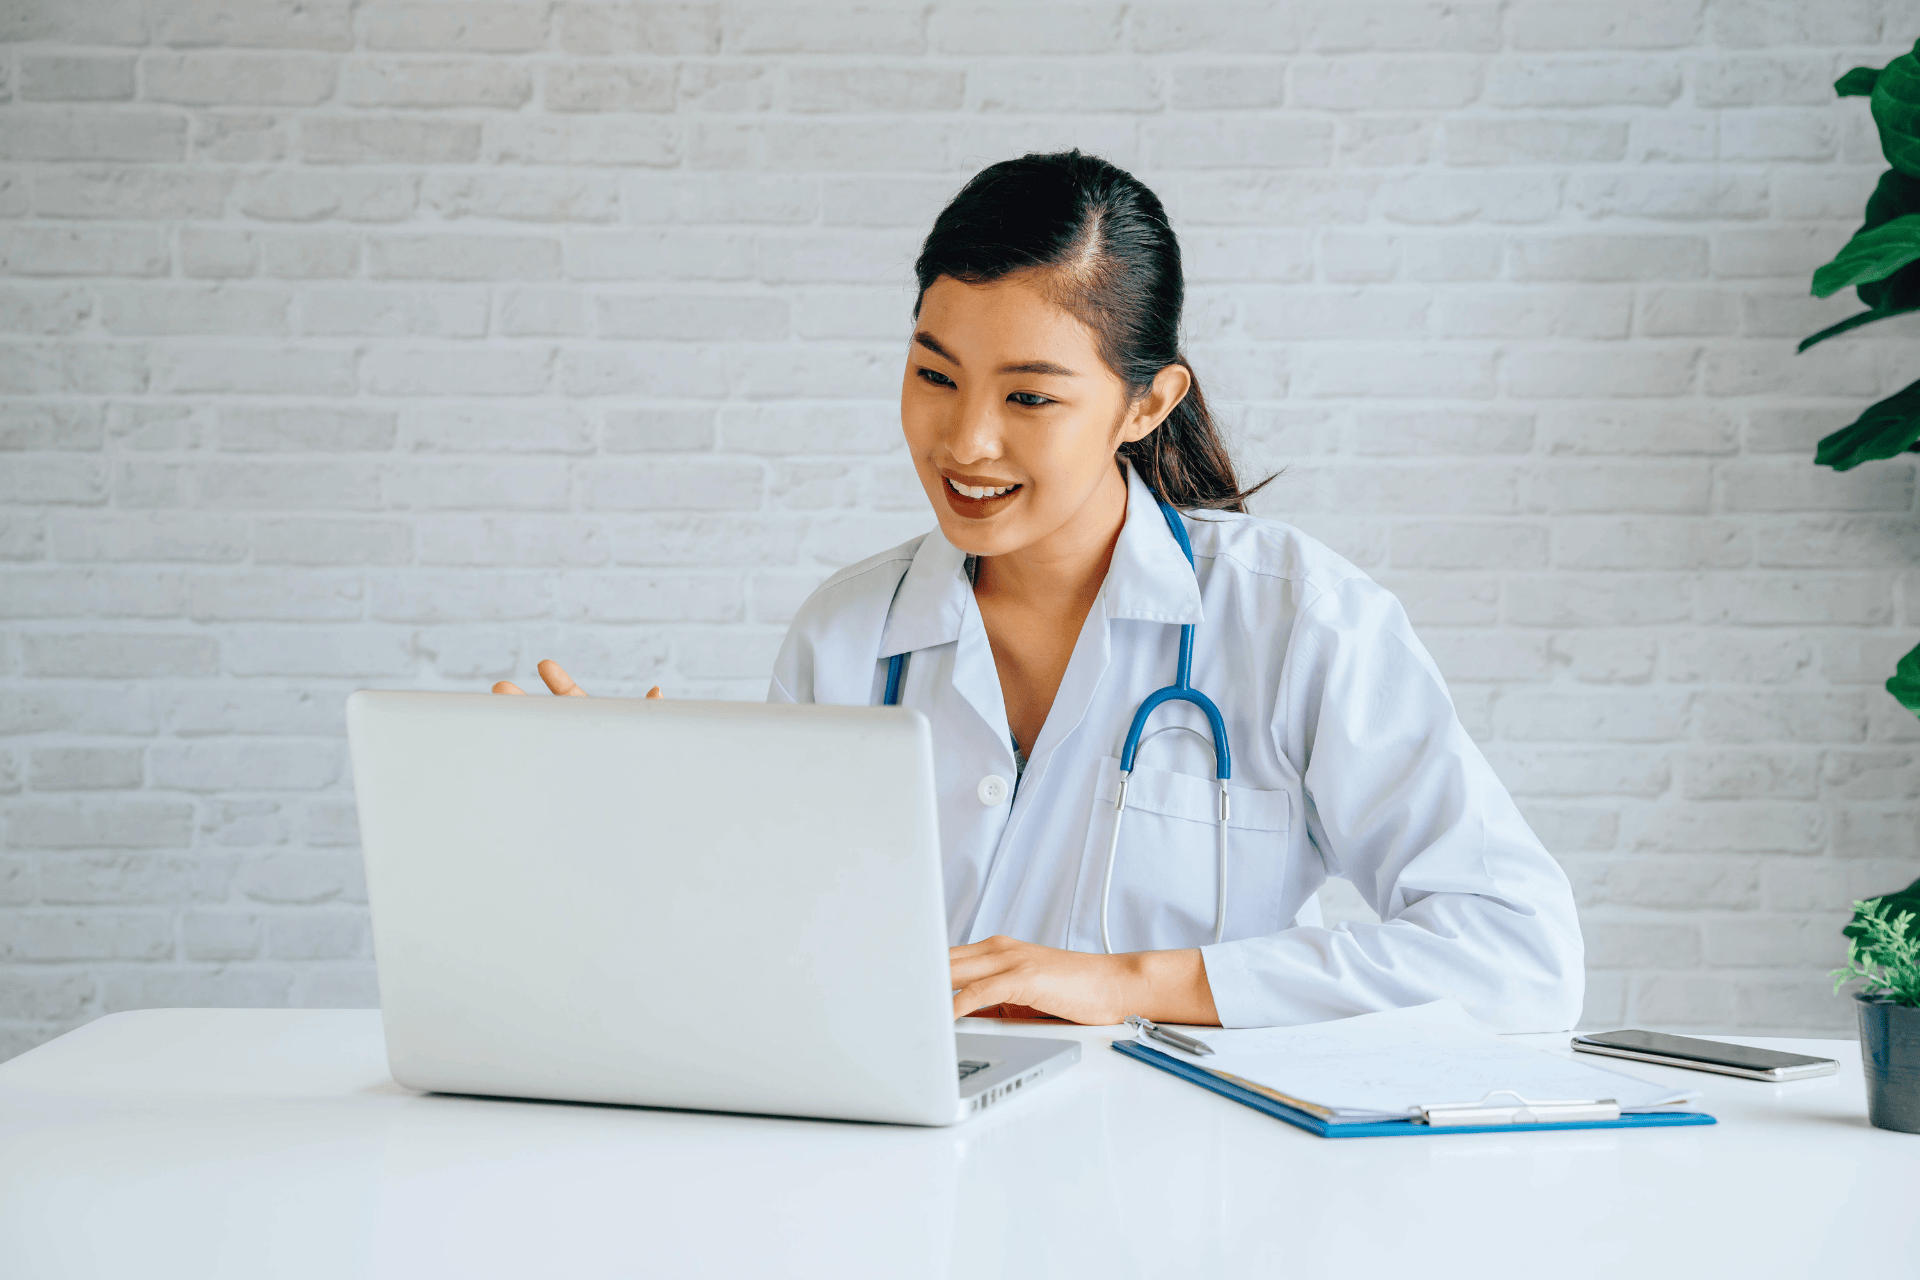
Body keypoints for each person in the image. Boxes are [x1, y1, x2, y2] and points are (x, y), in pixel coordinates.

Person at [498, 150, 1584, 1032]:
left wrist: (1131, 983)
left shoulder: (1294, 617)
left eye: (1029, 394)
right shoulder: (847, 638)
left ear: (1147, 404)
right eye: (934, 375)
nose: (965, 440)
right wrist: (633, 829)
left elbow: (1520, 954)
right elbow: (783, 971)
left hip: (1187, 1190)